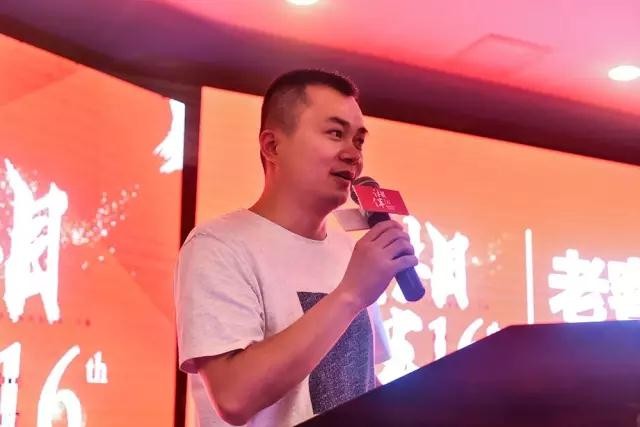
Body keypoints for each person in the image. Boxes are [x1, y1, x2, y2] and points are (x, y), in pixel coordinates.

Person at [174, 69, 418, 426]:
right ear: (272, 146)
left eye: (359, 141)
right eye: (335, 133)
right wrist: (350, 294)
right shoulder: (218, 245)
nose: (353, 154)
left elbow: (358, 385)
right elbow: (233, 397)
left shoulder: (348, 251)